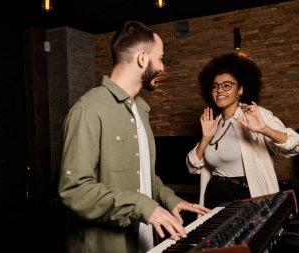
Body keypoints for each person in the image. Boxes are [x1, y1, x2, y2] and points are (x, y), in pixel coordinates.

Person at [58, 21, 210, 253]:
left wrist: (170, 199)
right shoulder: (88, 110)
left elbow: (143, 174)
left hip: (143, 241)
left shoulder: (139, 109)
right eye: (160, 58)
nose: (162, 67)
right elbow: (74, 191)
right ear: (142, 58)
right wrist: (141, 206)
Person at [186, 52, 299, 209]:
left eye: (227, 85)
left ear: (240, 90)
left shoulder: (255, 114)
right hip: (214, 194)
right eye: (215, 87)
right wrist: (206, 138)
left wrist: (264, 129)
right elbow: (192, 166)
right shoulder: (214, 123)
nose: (220, 90)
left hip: (246, 194)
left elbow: (296, 144)